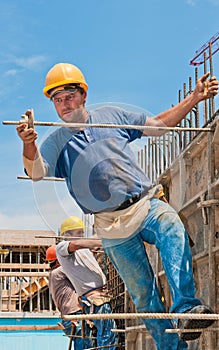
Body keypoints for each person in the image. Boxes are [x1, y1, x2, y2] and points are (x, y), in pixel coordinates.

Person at [16, 62, 218, 350]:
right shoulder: (55, 141)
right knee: (143, 295)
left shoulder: (111, 116)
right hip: (110, 225)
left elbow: (158, 127)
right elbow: (36, 172)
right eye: (57, 100)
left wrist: (195, 97)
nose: (64, 104)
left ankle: (186, 310)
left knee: (172, 227)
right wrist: (28, 144)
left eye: (69, 96)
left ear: (83, 95)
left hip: (144, 205)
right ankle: (172, 348)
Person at [56, 215, 119, 349]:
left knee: (107, 332)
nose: (82, 235)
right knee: (108, 333)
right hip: (93, 298)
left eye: (82, 232)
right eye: (78, 232)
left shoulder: (83, 250)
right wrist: (104, 241)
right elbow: (79, 243)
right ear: (67, 234)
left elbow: (86, 243)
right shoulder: (62, 248)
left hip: (99, 296)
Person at [45, 244, 95, 349]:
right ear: (59, 260)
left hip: (70, 316)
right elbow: (79, 269)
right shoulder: (60, 271)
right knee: (85, 346)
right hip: (74, 315)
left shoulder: (53, 274)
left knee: (86, 344)